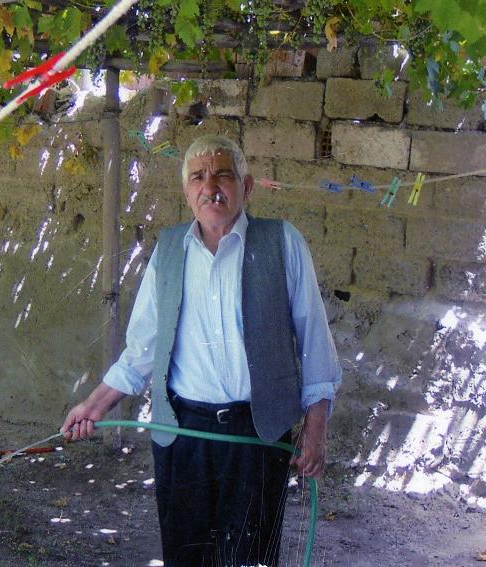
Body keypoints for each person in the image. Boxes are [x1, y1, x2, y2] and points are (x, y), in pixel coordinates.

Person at [61, 135, 341, 567]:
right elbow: (141, 350)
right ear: (186, 192)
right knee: (187, 555)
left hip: (257, 434)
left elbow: (314, 341)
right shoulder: (169, 250)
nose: (210, 187)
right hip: (184, 434)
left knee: (250, 557)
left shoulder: (282, 242)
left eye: (223, 175)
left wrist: (316, 426)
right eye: (197, 177)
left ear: (246, 187)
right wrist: (93, 406)